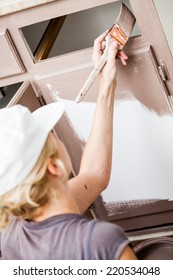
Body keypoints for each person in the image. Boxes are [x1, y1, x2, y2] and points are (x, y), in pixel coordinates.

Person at [0, 31, 136, 260]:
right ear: (54, 166)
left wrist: (105, 82)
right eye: (51, 136)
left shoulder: (12, 235)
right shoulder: (100, 242)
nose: (56, 135)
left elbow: (94, 176)